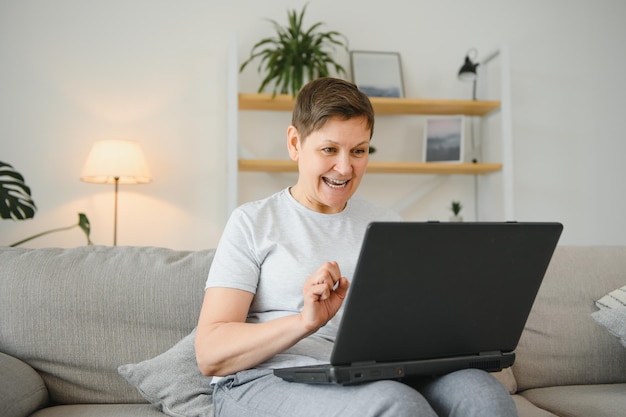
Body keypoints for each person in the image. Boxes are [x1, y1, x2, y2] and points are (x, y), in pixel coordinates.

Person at [195, 77, 518, 417]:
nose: (345, 168)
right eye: (329, 149)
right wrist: (304, 322)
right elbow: (210, 352)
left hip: (369, 374)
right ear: (294, 143)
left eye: (359, 151)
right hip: (261, 379)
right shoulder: (252, 222)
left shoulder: (386, 224)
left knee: (484, 395)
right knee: (396, 404)